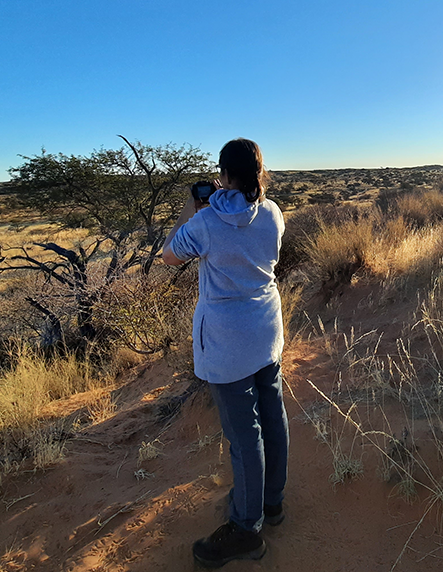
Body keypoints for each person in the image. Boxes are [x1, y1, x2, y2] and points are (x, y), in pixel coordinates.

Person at [161, 138, 288, 568]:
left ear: (226, 174)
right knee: (273, 417)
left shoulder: (207, 221)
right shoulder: (272, 213)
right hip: (267, 330)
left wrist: (193, 207)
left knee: (243, 435)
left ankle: (247, 530)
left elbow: (169, 256)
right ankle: (272, 504)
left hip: (228, 342)